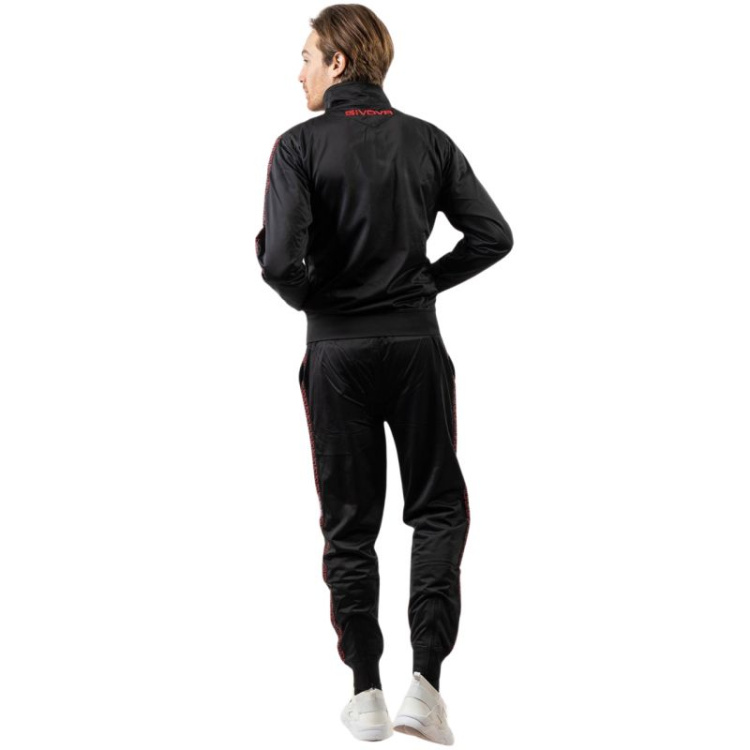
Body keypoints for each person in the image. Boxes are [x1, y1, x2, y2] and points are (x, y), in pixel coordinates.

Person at [255, 4, 513, 744]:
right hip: (415, 346)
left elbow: (279, 263)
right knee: (437, 507)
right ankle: (425, 685)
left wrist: (322, 302)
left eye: (307, 56)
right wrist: (423, 283)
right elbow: (492, 235)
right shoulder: (428, 140)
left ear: (338, 61)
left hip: (336, 356)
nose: (299, 72)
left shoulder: (298, 147)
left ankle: (365, 692)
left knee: (349, 523)